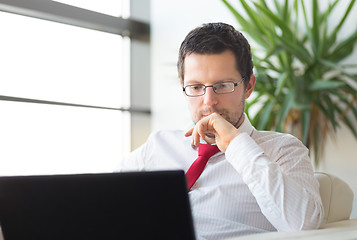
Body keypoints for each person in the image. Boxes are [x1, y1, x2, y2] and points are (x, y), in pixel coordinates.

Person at [118, 22, 323, 240]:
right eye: (196, 87)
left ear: (249, 86)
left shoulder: (283, 150)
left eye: (223, 85)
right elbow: (105, 202)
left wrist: (236, 144)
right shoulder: (159, 145)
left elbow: (304, 225)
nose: (209, 102)